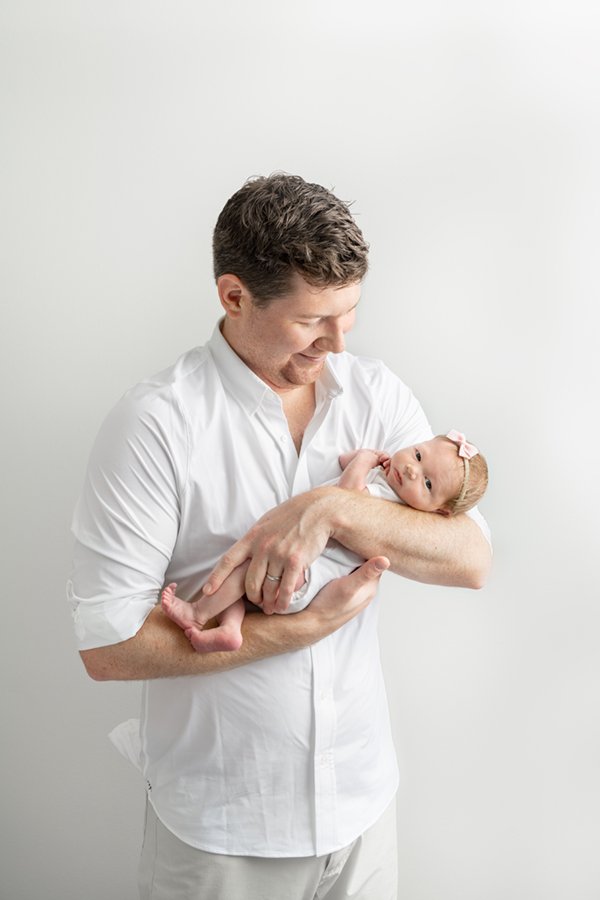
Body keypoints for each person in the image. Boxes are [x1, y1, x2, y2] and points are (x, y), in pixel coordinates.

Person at [69, 173, 491, 900]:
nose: (336, 342)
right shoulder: (155, 426)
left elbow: (471, 557)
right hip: (225, 833)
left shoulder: (375, 395)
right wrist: (292, 632)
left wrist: (329, 510)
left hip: (363, 810)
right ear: (234, 296)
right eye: (311, 320)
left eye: (349, 315)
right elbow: (107, 648)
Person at [160, 431, 489, 653]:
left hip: (303, 576)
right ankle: (230, 627)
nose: (413, 471)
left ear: (440, 511)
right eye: (417, 455)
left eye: (428, 483)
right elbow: (343, 463)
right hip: (306, 577)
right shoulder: (389, 485)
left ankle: (197, 613)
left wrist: (362, 462)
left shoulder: (386, 500)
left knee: (248, 566)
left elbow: (343, 498)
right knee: (246, 584)